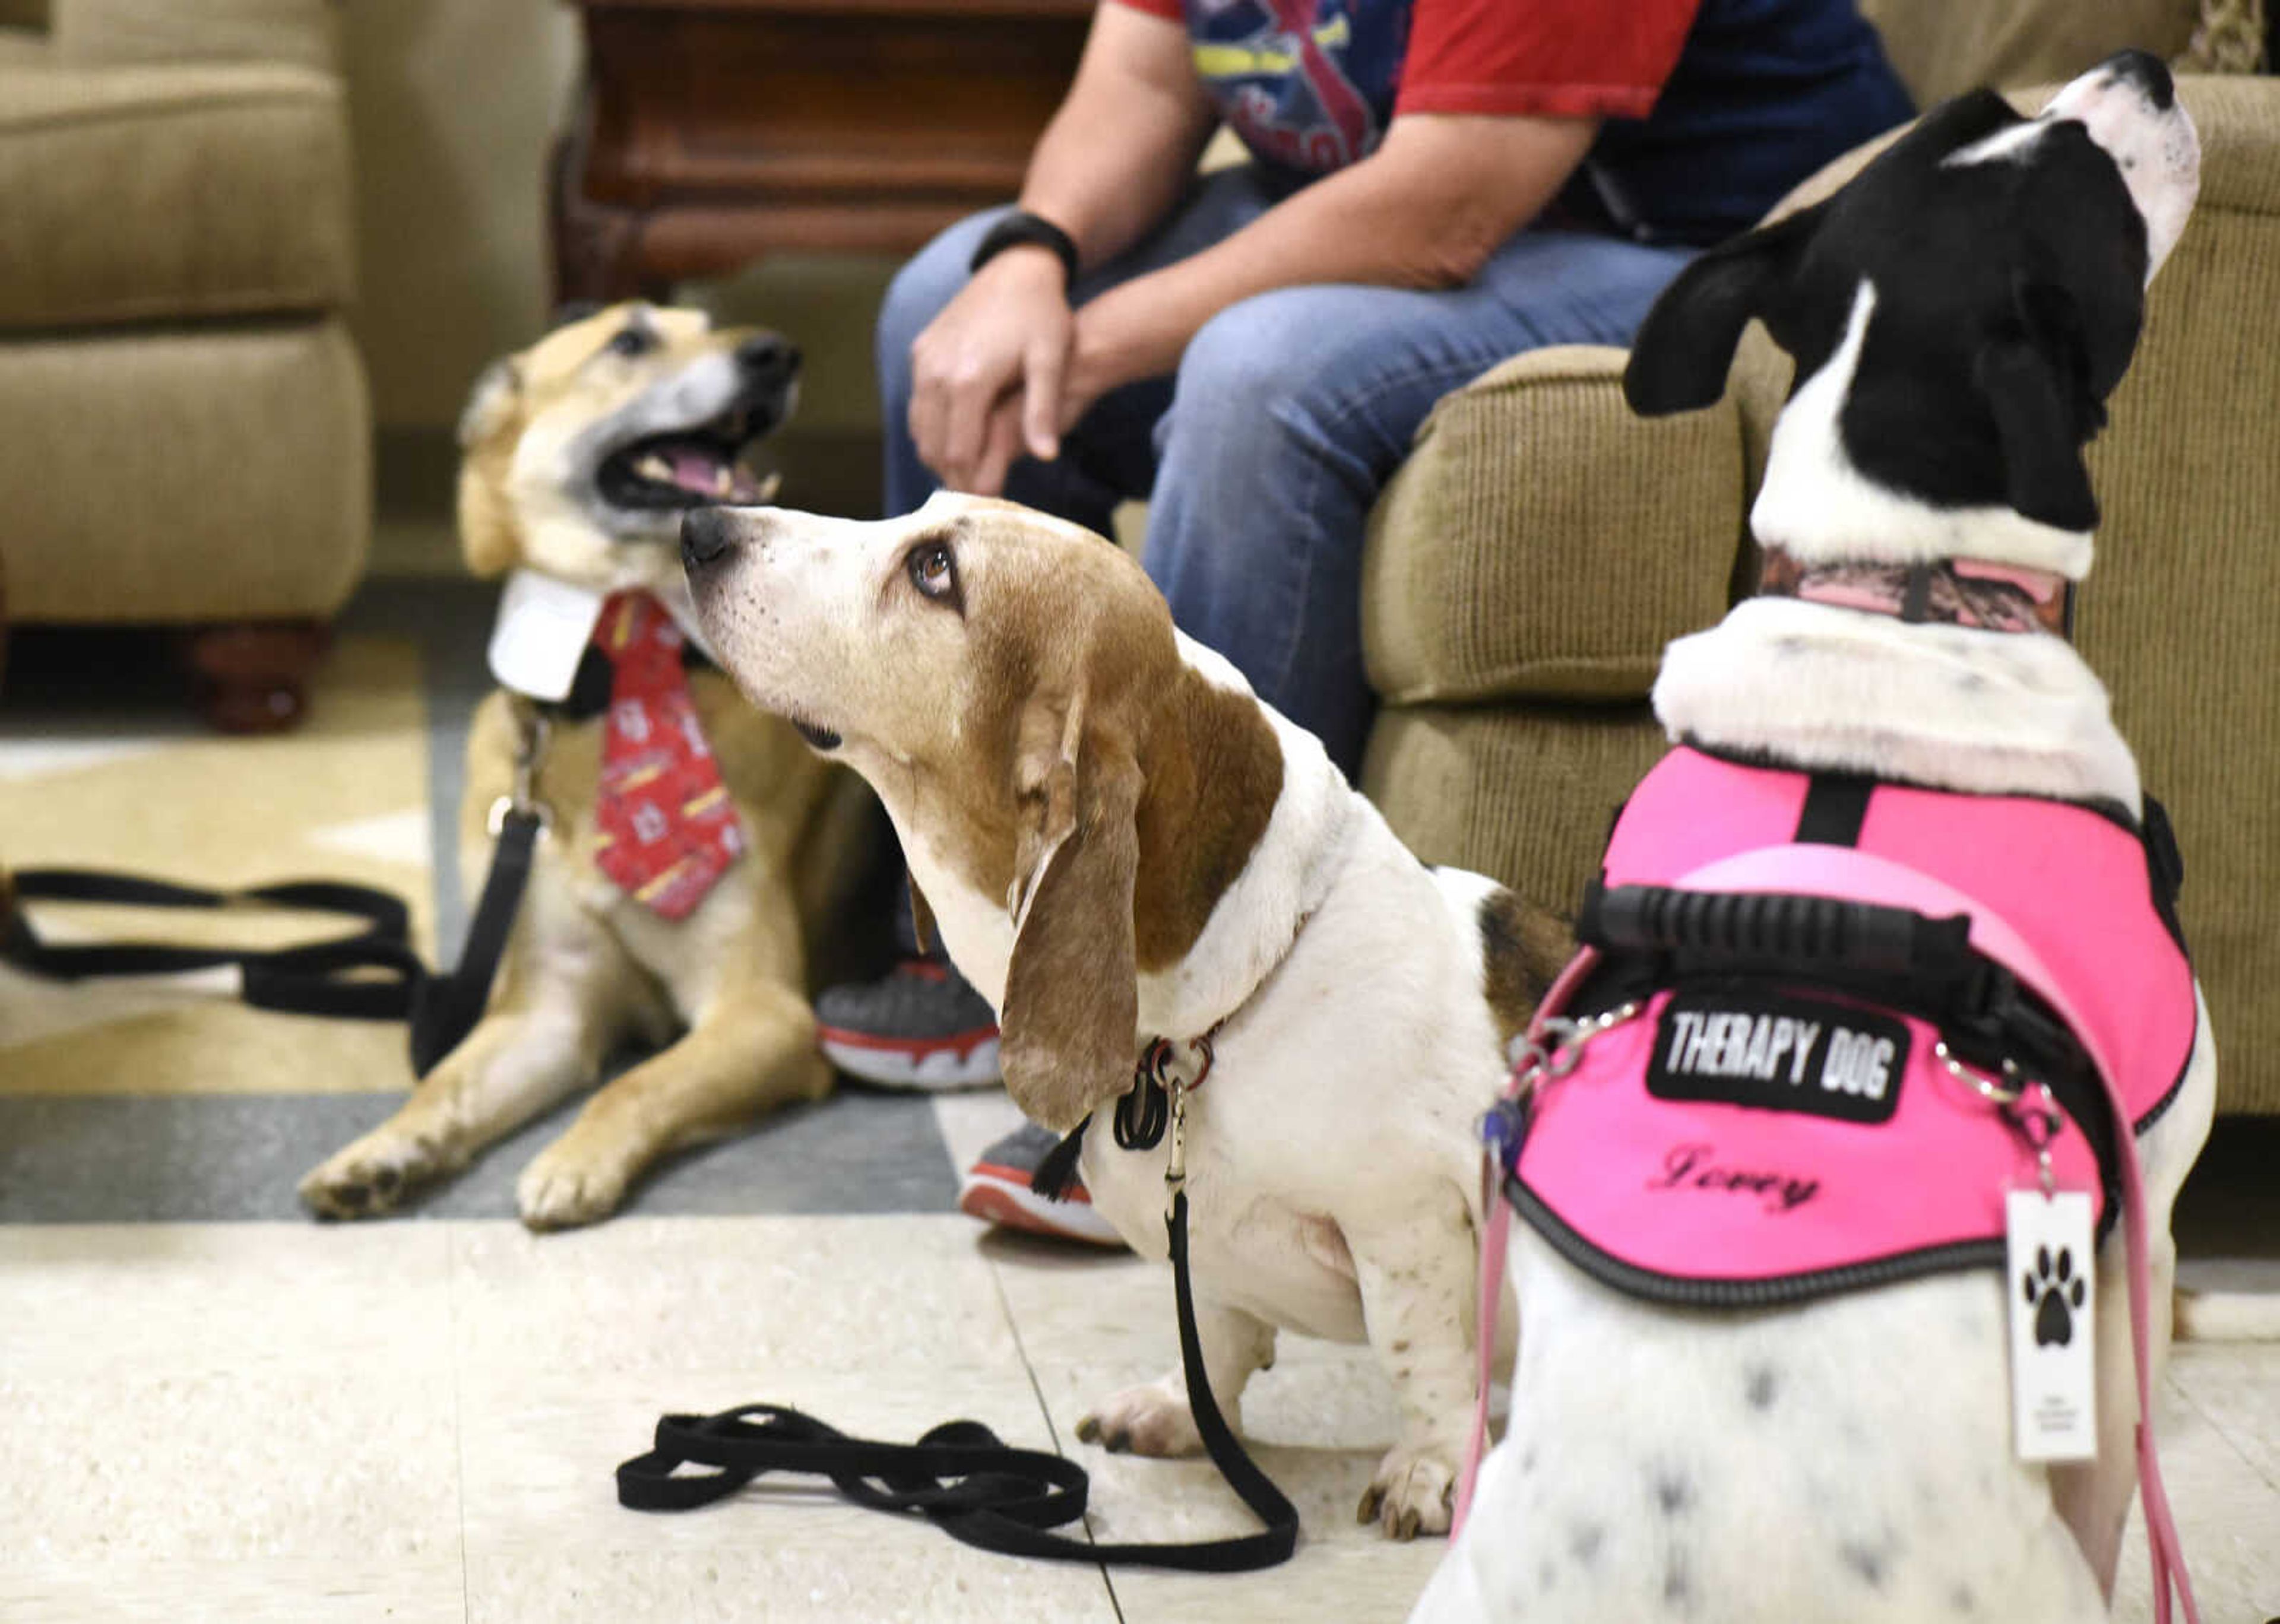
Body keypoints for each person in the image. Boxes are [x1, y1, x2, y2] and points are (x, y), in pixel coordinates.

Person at [818, 0, 1914, 1238]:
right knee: (940, 305)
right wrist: (1031, 255)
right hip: (1462, 195)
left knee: (1257, 376)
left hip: (1716, 250)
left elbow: (1449, 206)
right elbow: (1143, 69)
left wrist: (1081, 344)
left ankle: (1146, 1041)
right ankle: (999, 940)